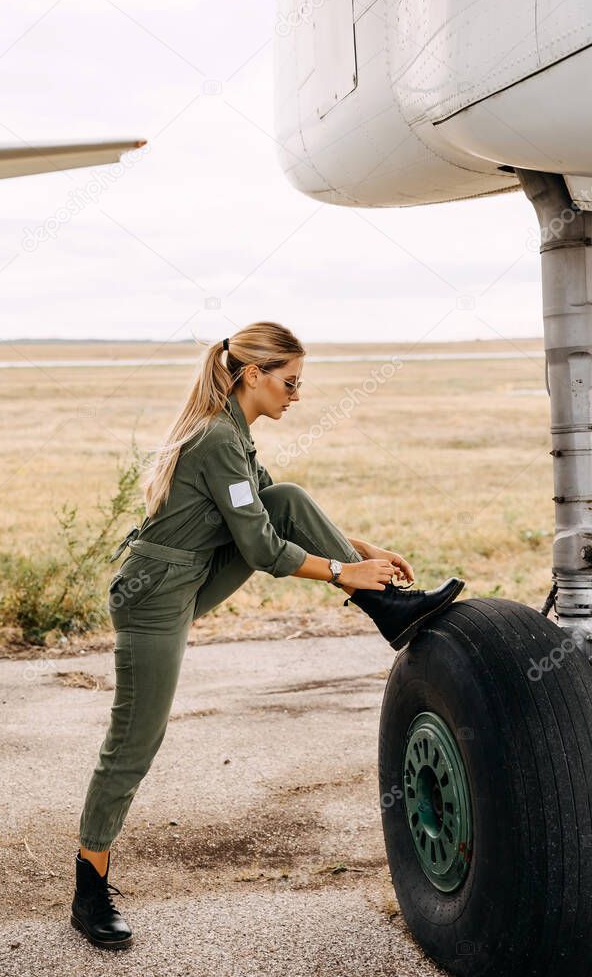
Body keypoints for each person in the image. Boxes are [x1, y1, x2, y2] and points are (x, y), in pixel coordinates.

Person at [71, 321, 465, 949]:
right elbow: (260, 548)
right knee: (134, 739)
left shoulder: (235, 432)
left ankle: (387, 606)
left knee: (286, 496)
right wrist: (343, 568)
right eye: (291, 382)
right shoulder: (218, 439)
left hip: (190, 572)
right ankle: (89, 887)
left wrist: (364, 549)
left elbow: (267, 513)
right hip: (153, 597)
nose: (298, 395)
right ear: (254, 374)